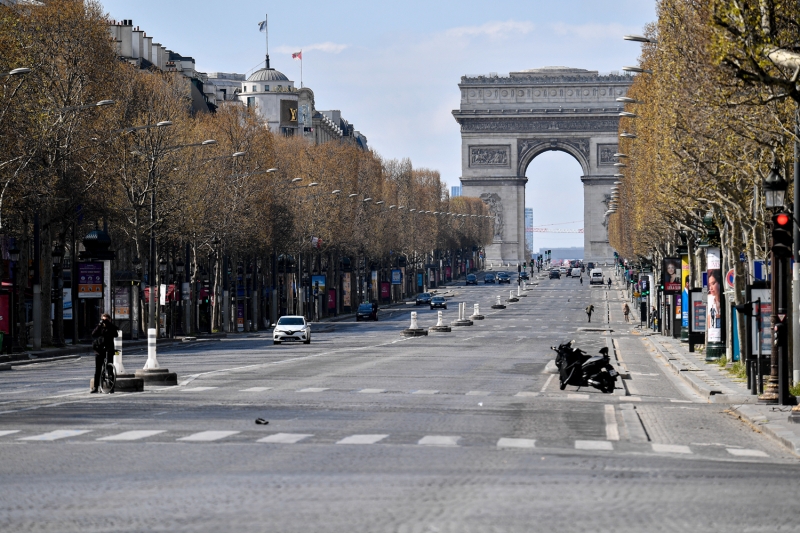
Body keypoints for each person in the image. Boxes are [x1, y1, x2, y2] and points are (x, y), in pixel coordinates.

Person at [90, 313, 119, 393]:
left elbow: (116, 334)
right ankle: (96, 387)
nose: (104, 321)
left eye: (106, 319)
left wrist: (109, 324)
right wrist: (100, 324)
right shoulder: (100, 327)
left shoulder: (111, 327)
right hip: (99, 350)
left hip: (109, 349)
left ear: (109, 320)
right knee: (98, 369)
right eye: (103, 319)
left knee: (110, 369)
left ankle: (111, 387)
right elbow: (93, 334)